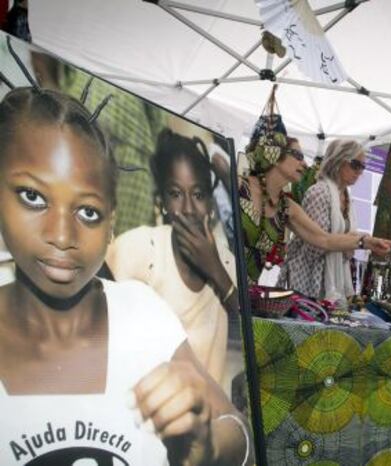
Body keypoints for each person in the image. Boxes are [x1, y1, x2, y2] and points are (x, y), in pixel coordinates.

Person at [0, 81, 251, 465]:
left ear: (111, 221)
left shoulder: (143, 311)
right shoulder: (142, 250)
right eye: (33, 197)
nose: (62, 236)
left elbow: (239, 432)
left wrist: (211, 446)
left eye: (88, 212)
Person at [107, 129, 238, 385]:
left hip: (211, 419)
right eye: (176, 194)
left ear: (211, 204)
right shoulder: (142, 250)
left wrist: (217, 272)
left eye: (199, 195)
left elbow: (254, 334)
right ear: (162, 203)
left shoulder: (226, 262)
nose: (188, 208)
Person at [239, 130, 391, 287]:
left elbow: (324, 239)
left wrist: (366, 242)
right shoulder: (237, 186)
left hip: (240, 297)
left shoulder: (286, 207)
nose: (304, 163)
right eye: (297, 156)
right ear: (273, 154)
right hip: (217, 287)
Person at [280, 139, 368, 303]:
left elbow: (344, 248)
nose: (360, 171)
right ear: (338, 161)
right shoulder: (319, 193)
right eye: (356, 165)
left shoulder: (347, 199)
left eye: (363, 167)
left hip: (329, 284)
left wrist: (350, 244)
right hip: (308, 283)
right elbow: (315, 247)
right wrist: (352, 243)